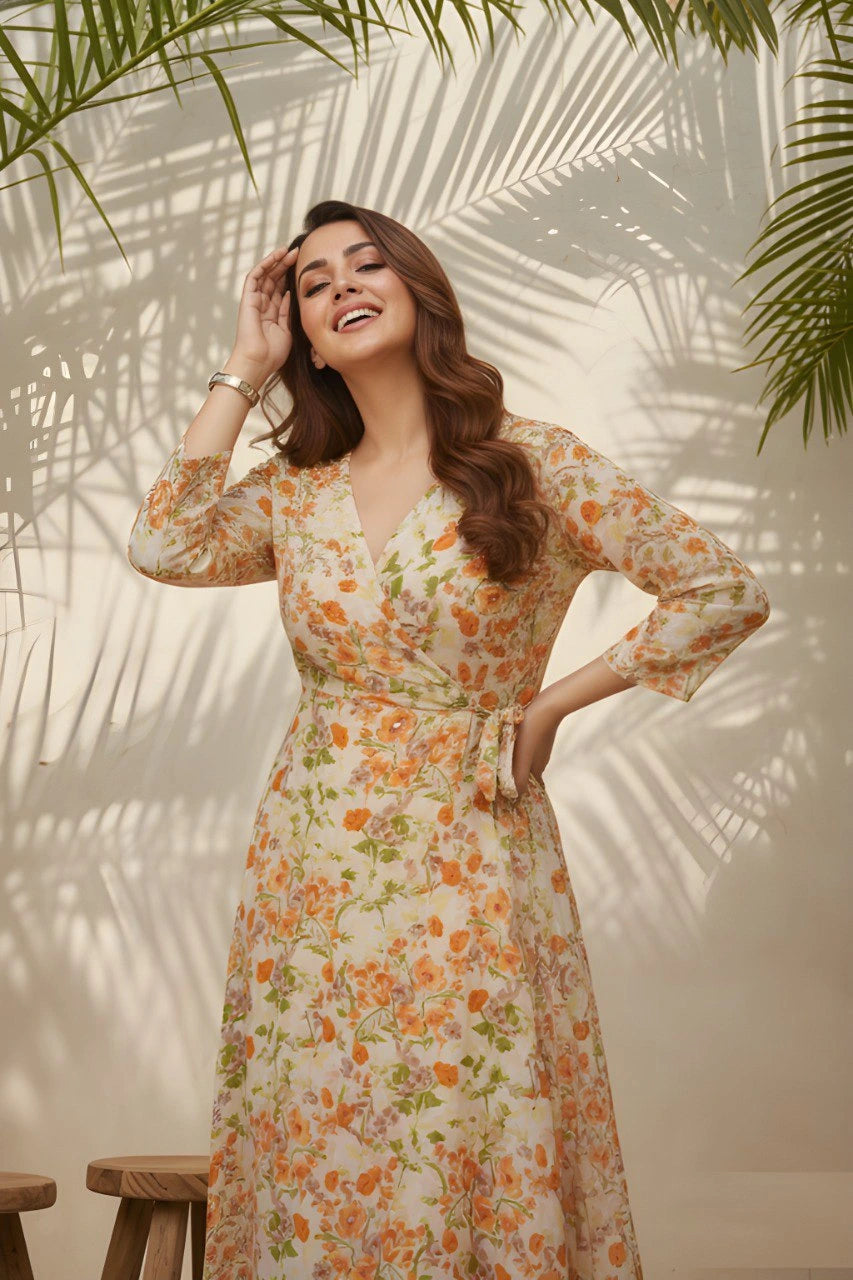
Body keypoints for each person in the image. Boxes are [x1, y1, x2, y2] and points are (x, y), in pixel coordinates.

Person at [127, 199, 770, 1280]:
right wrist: (244, 366)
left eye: (365, 264)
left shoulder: (531, 461)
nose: (341, 287)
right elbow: (165, 544)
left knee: (466, 1113)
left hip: (470, 842)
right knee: (325, 1119)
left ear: (419, 289)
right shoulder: (297, 493)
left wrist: (550, 704)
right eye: (314, 282)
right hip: (315, 858)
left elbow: (720, 590)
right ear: (306, 335)